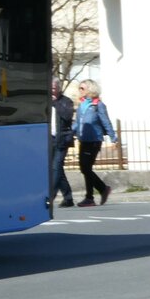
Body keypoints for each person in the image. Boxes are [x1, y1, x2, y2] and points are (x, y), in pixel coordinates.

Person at [73, 79, 118, 206]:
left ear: (90, 89)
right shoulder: (81, 105)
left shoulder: (98, 105)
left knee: (86, 168)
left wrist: (113, 138)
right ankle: (93, 196)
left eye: (82, 88)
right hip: (83, 140)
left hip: (94, 140)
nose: (80, 91)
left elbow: (105, 121)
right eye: (79, 88)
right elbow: (77, 123)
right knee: (85, 168)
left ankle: (99, 191)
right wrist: (68, 133)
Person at [50, 78, 75, 207]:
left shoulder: (66, 101)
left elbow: (67, 116)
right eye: (50, 88)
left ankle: (51, 196)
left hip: (62, 139)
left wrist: (56, 104)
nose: (52, 90)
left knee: (56, 167)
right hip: (50, 139)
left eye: (54, 88)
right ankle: (68, 197)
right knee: (57, 168)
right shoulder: (46, 101)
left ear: (59, 88)